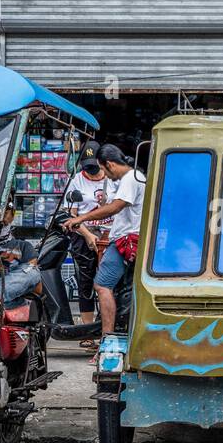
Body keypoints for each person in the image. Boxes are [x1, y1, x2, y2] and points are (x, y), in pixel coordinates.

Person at [64, 143, 144, 339]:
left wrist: (80, 219)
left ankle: (107, 339)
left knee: (102, 285)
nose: (106, 176)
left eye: (105, 171)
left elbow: (114, 208)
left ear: (110, 164)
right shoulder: (134, 177)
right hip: (122, 239)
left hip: (125, 240)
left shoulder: (130, 179)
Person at [64, 141, 117, 331]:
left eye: (94, 167)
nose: (91, 172)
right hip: (83, 234)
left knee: (110, 280)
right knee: (86, 281)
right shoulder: (76, 180)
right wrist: (87, 235)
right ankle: (86, 328)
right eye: (87, 168)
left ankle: (107, 326)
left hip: (110, 235)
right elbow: (71, 213)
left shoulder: (114, 178)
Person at [0, 203, 41, 306]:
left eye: (5, 212)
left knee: (33, 271)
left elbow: (37, 287)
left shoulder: (24, 247)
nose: (0, 218)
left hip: (5, 286)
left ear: (12, 216)